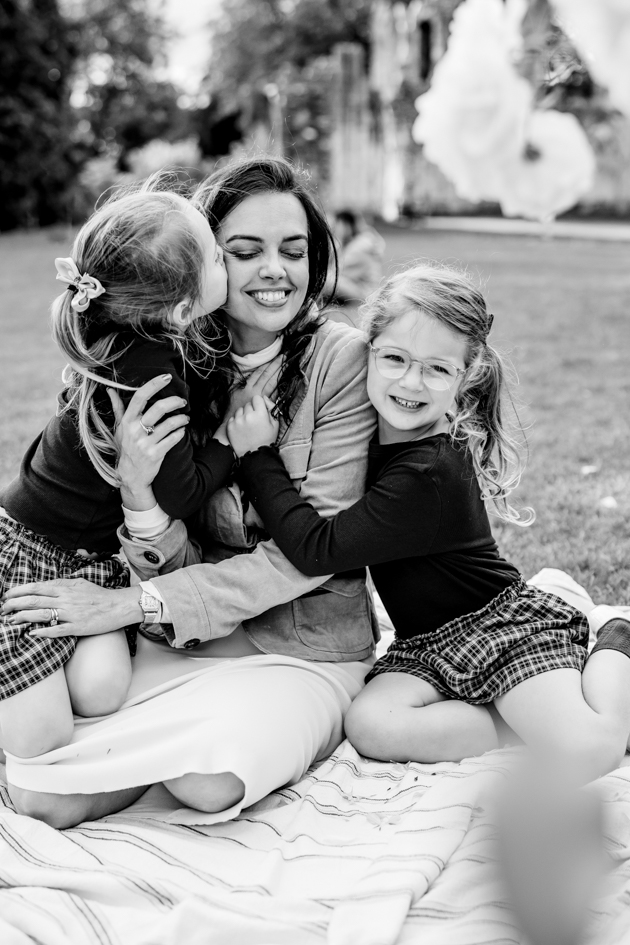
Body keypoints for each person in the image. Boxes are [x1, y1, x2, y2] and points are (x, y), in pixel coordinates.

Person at [0, 156, 377, 828]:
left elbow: (310, 552)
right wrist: (141, 498)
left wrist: (128, 601)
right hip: (193, 634)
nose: (274, 270)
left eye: (294, 251)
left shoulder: (339, 361)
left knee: (208, 779)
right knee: (40, 793)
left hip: (303, 644)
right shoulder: (171, 355)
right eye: (243, 251)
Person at [224, 262, 630, 785]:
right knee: (372, 725)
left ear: (467, 376)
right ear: (366, 351)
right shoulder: (366, 433)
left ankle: (616, 643)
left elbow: (318, 548)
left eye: (437, 369)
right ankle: (510, 724)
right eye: (393, 358)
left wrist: (257, 457)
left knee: (588, 752)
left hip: (496, 630)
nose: (410, 382)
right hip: (425, 642)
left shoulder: (429, 472)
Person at [0, 180, 231, 762]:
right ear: (181, 308)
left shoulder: (130, 334)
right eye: (219, 256)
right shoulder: (151, 374)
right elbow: (179, 492)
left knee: (100, 693)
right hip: (27, 555)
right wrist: (234, 442)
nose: (227, 261)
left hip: (89, 561)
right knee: (38, 741)